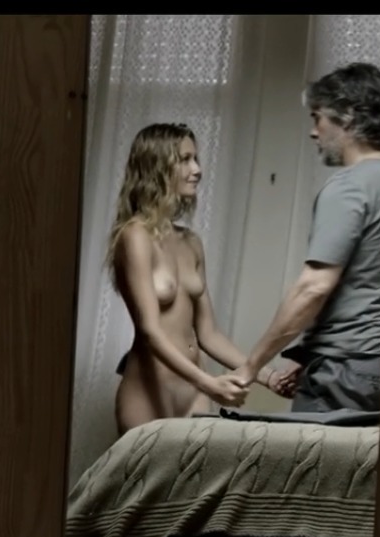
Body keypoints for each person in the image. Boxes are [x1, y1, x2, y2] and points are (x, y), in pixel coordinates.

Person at [233, 63, 380, 413]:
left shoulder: (349, 186)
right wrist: (309, 355)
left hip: (345, 371)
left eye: (317, 117)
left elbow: (313, 288)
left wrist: (251, 366)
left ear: (347, 116)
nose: (313, 132)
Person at [108, 123, 273, 434]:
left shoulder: (191, 242)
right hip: (149, 393)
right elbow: (150, 330)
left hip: (194, 393)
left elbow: (209, 334)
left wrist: (267, 376)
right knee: (149, 469)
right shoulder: (135, 236)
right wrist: (209, 383)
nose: (197, 169)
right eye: (185, 159)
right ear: (156, 167)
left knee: (204, 469)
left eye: (196, 159)